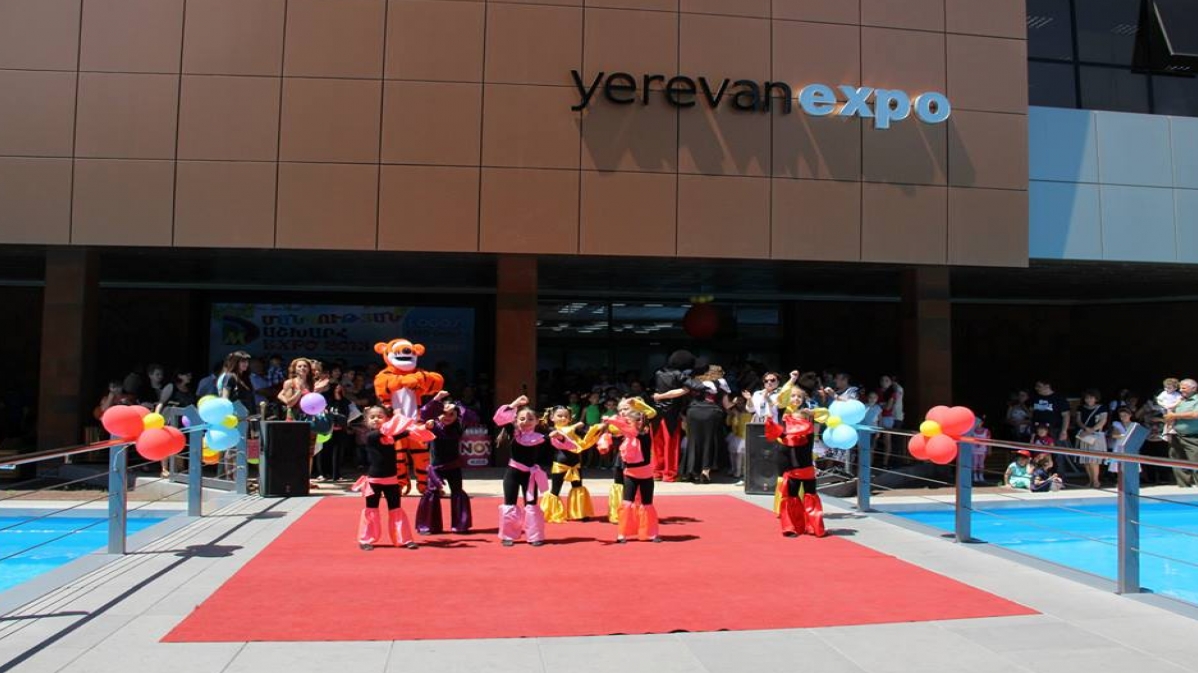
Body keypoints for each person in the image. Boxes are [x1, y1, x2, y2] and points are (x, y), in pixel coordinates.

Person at [351, 406, 417, 551]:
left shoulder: (390, 436)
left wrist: (425, 427)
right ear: (367, 421)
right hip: (374, 480)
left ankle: (403, 539)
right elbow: (389, 430)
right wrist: (397, 418)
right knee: (371, 509)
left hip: (391, 479)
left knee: (396, 508)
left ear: (386, 419)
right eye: (372, 417)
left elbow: (407, 431)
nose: (376, 419)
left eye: (380, 416)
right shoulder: (371, 436)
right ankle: (366, 539)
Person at [764, 386, 826, 537]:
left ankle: (813, 527)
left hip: (807, 471)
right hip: (792, 471)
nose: (795, 422)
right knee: (791, 498)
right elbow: (775, 431)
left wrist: (809, 414)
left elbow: (824, 413)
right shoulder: (787, 431)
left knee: (810, 497)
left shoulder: (808, 428)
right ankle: (791, 527)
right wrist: (771, 422)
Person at [600, 397, 663, 543]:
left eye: (636, 421)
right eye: (629, 422)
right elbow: (621, 430)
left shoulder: (644, 435)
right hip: (630, 475)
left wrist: (636, 404)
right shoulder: (626, 437)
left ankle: (651, 534)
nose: (630, 424)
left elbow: (648, 415)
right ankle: (622, 534)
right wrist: (608, 426)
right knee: (627, 503)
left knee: (647, 504)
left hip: (646, 476)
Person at [493, 396, 553, 547]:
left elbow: (562, 445)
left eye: (530, 419)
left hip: (530, 476)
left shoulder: (542, 437)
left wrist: (559, 437)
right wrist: (515, 404)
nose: (526, 421)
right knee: (510, 503)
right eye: (522, 419)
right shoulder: (513, 433)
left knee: (531, 504)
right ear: (515, 421)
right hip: (512, 473)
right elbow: (500, 418)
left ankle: (534, 536)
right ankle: (508, 535)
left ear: (537, 421)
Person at [415, 391, 473, 534]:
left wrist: (457, 406)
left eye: (451, 414)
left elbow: (472, 417)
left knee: (457, 492)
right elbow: (424, 412)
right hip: (436, 468)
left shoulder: (459, 426)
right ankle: (428, 526)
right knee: (432, 493)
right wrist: (437, 398)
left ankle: (460, 525)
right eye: (443, 414)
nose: (447, 417)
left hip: (453, 466)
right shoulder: (433, 425)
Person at [540, 405, 601, 523]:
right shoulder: (553, 430)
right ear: (552, 417)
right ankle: (552, 513)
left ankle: (580, 513)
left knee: (578, 486)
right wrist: (575, 426)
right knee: (555, 489)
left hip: (575, 463)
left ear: (570, 418)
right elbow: (562, 434)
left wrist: (597, 428)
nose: (563, 418)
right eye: (560, 416)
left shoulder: (574, 430)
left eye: (566, 416)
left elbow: (587, 435)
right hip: (560, 464)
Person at [650, 350, 695, 482]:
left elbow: (653, 390)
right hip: (672, 412)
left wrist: (659, 397)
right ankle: (669, 474)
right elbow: (690, 387)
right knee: (671, 444)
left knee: (657, 443)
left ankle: (657, 472)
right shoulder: (679, 375)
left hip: (657, 411)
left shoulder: (658, 373)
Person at [681, 366, 728, 484]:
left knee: (693, 441)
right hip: (711, 412)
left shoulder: (695, 382)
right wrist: (736, 403)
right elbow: (727, 404)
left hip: (693, 411)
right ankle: (705, 471)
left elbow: (682, 393)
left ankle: (690, 471)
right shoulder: (721, 382)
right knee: (709, 441)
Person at [1164, 379, 1198, 488]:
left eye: (1184, 388)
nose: (1181, 390)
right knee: (1178, 463)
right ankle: (1184, 487)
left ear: (1193, 389)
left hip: (1193, 438)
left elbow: (1195, 414)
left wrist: (1174, 416)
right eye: (1180, 388)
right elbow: (1169, 414)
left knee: (1195, 462)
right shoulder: (1179, 400)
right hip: (1176, 436)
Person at [1075, 389, 1109, 488]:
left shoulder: (1102, 408)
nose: (1089, 400)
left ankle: (1096, 481)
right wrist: (1085, 428)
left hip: (1096, 435)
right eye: (1087, 398)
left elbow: (1103, 421)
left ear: (1096, 398)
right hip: (1083, 434)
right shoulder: (1080, 408)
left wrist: (1092, 430)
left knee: (1093, 460)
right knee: (1085, 460)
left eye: (1091, 397)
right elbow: (1078, 420)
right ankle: (1090, 480)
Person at [877, 374, 904, 467]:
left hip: (893, 417)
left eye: (887, 380)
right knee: (883, 441)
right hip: (881, 417)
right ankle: (888, 462)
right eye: (882, 380)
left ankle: (892, 463)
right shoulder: (880, 391)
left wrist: (880, 405)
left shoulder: (896, 390)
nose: (884, 382)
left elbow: (888, 406)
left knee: (893, 441)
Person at [725, 395, 752, 483]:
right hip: (735, 435)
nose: (739, 404)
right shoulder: (734, 412)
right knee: (732, 453)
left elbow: (741, 426)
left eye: (741, 402)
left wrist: (737, 416)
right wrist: (730, 415)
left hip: (743, 436)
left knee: (740, 454)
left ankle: (739, 472)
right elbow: (728, 423)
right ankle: (733, 469)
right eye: (737, 402)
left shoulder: (748, 413)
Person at [1107, 406, 1139, 476]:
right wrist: (1127, 436)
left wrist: (1124, 436)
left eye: (1125, 415)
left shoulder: (1136, 425)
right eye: (1121, 416)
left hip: (1131, 448)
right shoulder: (1117, 424)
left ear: (1130, 415)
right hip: (1119, 447)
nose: (1123, 417)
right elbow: (1115, 435)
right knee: (1119, 467)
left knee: (1130, 467)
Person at [964, 415, 992, 484]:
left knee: (981, 464)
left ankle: (981, 476)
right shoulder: (972, 431)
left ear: (982, 422)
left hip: (983, 450)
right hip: (974, 450)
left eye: (979, 422)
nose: (977, 423)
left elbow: (989, 441)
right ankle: (975, 476)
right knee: (975, 463)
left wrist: (989, 449)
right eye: (976, 422)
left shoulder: (986, 431)